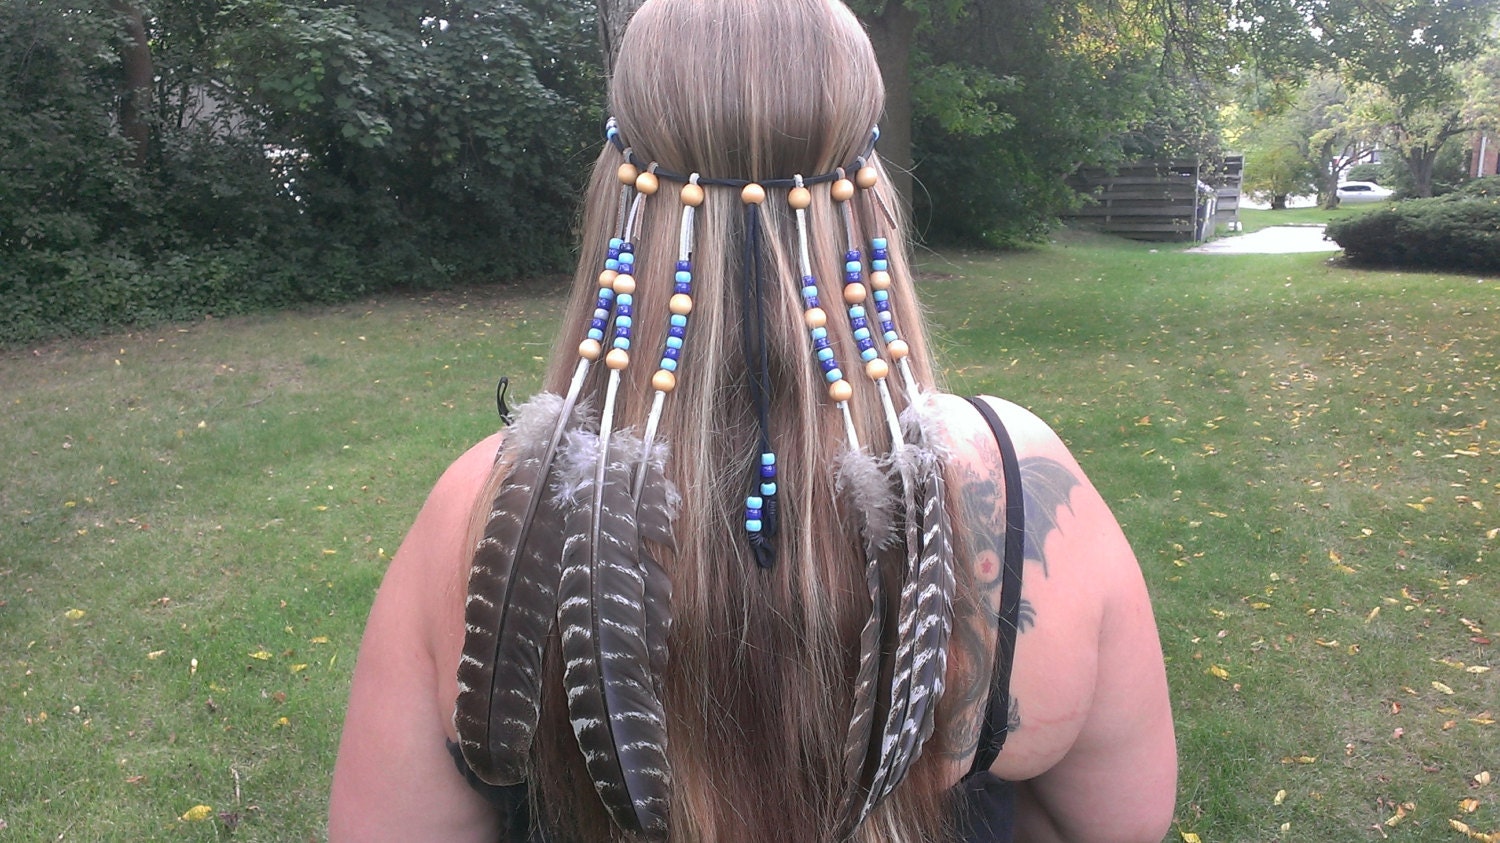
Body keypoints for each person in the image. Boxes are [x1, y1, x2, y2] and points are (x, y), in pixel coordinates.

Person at [328, 0, 1176, 840]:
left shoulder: (486, 504)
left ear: (619, 196)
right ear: (867, 194)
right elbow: (1120, 822)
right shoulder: (1014, 475)